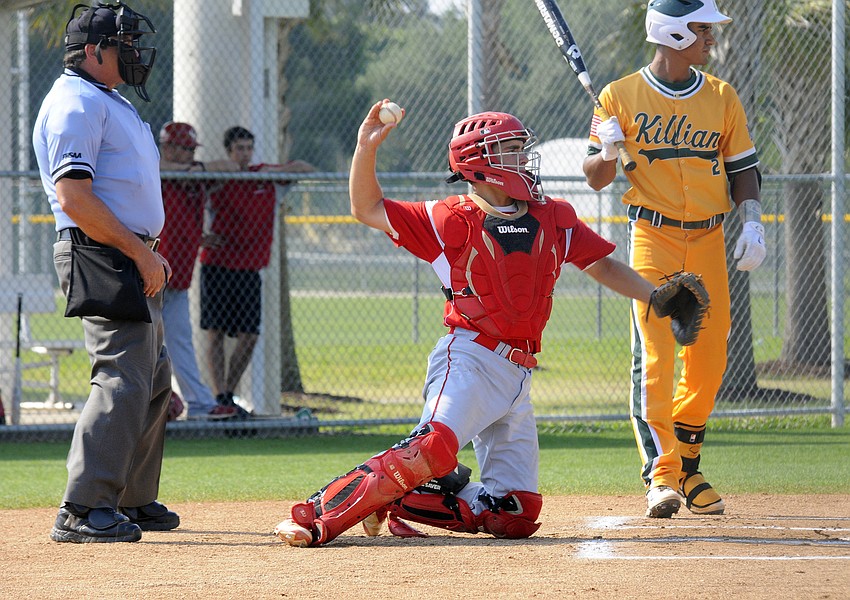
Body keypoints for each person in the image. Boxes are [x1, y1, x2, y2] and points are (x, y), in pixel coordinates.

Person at [273, 100, 687, 547]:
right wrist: (366, 146)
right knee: (431, 447)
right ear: (480, 162)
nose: (525, 160)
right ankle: (317, 516)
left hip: (517, 372)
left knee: (515, 514)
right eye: (512, 151)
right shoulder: (448, 218)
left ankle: (394, 499)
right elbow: (366, 206)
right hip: (469, 357)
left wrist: (657, 297)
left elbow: (602, 265)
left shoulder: (554, 216)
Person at [583, 0, 766, 518]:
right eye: (703, 29)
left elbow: (743, 169)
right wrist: (607, 151)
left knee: (709, 359)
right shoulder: (617, 96)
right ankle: (661, 476)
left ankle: (687, 461)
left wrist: (751, 219)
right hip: (653, 237)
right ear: (676, 32)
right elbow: (595, 175)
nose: (711, 38)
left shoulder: (721, 96)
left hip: (708, 237)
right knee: (659, 356)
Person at [32, 1, 180, 542]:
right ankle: (83, 506)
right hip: (102, 251)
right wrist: (139, 253)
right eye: (124, 44)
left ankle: (131, 500)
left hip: (127, 249)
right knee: (122, 376)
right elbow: (74, 196)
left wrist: (148, 248)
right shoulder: (74, 101)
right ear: (94, 51)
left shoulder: (105, 99)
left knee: (154, 377)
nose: (135, 54)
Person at [198, 126, 313, 415]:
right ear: (228, 151)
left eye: (248, 148)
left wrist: (270, 170)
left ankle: (227, 393)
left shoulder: (265, 177)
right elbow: (187, 201)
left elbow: (303, 168)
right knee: (215, 334)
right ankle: (219, 397)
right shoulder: (217, 178)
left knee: (249, 335)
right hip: (218, 266)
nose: (244, 154)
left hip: (249, 269)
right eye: (239, 149)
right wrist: (201, 235)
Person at [158, 121, 240, 420]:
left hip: (178, 276)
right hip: (150, 273)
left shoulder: (198, 172)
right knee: (143, 346)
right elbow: (154, 167)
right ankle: (148, 404)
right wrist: (182, 171)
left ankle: (200, 404)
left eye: (193, 149)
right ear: (167, 147)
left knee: (180, 343)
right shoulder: (156, 169)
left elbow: (232, 167)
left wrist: (199, 167)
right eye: (185, 149)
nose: (190, 154)